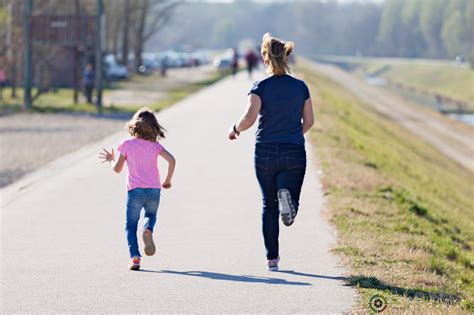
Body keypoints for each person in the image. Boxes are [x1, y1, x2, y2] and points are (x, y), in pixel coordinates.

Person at [228, 33, 314, 271]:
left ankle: (272, 259)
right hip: (293, 149)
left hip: (265, 150)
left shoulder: (260, 87)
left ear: (265, 59)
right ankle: (290, 200)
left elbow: (249, 118)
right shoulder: (300, 87)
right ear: (286, 57)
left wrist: (235, 129)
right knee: (289, 195)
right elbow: (309, 121)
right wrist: (294, 134)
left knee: (269, 204)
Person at [99, 107, 176, 270]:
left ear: (134, 125)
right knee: (150, 215)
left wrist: (111, 160)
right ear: (153, 127)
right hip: (154, 189)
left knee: (131, 225)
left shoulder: (126, 145)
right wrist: (167, 180)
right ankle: (148, 229)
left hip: (135, 191)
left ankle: (135, 258)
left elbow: (117, 169)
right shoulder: (154, 145)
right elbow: (172, 160)